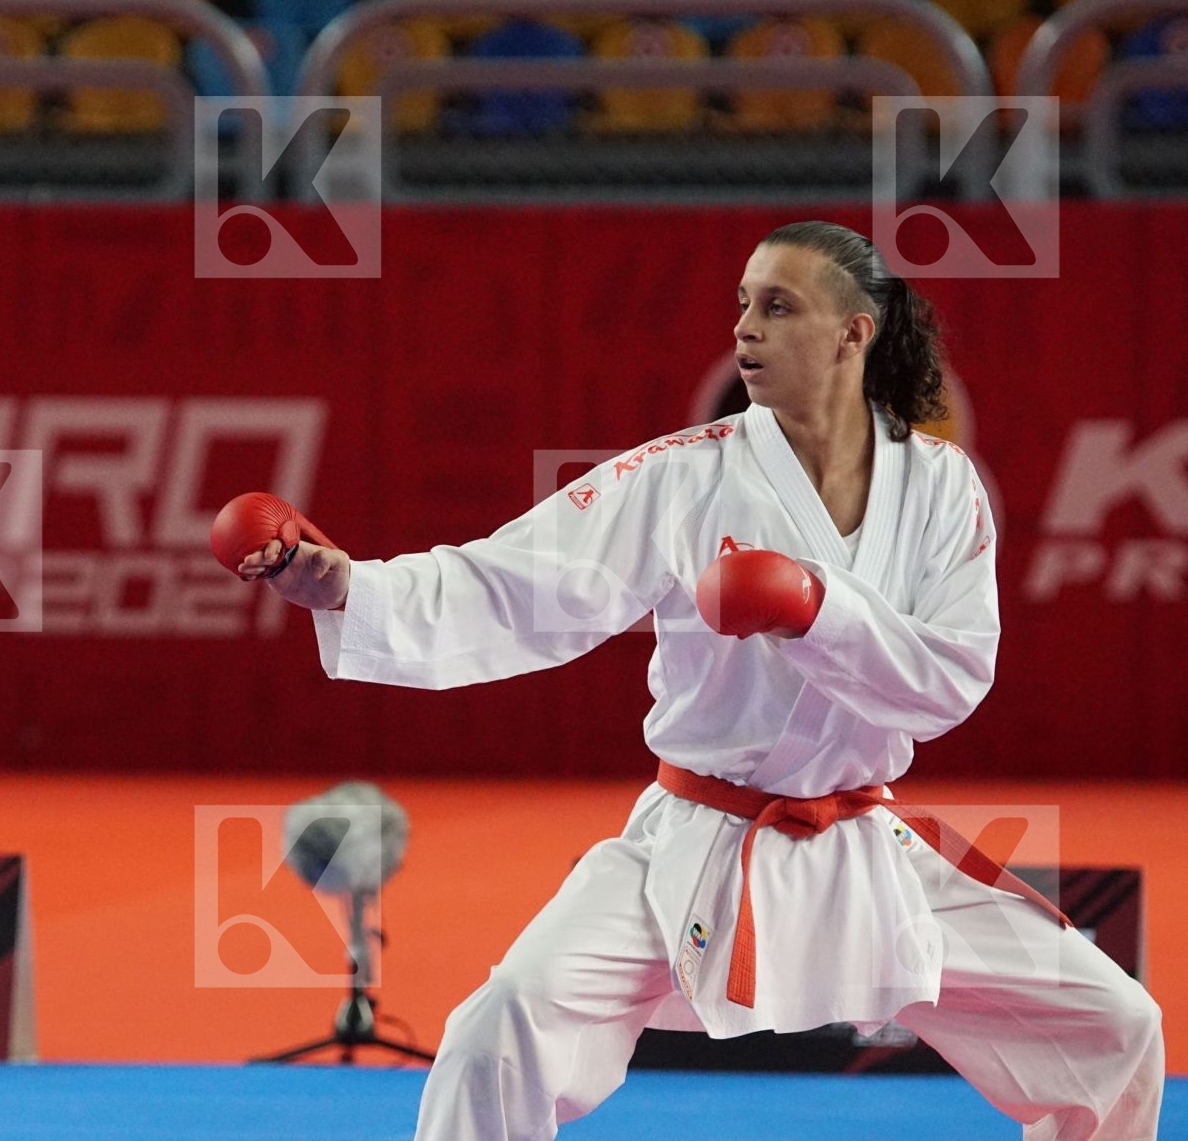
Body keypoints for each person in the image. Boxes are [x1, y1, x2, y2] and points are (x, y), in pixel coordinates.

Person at [233, 222, 1164, 1140]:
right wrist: (348, 586)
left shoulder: (942, 486)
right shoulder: (686, 476)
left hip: (864, 848)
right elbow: (513, 584)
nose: (745, 327)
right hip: (693, 844)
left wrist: (812, 606)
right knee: (501, 1023)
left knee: (1118, 1028)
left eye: (778, 306)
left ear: (854, 331)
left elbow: (953, 678)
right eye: (743, 305)